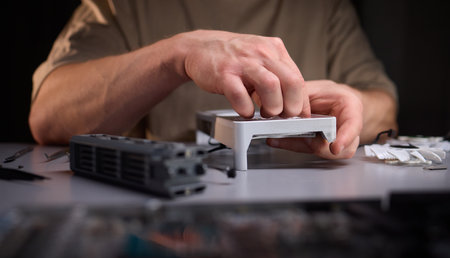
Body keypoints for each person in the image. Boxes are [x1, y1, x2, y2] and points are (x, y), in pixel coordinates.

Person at [29, 0, 398, 160]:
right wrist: (178, 55)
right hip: (167, 221)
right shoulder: (122, 6)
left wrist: (350, 104)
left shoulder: (324, 7)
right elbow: (49, 116)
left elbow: (385, 110)